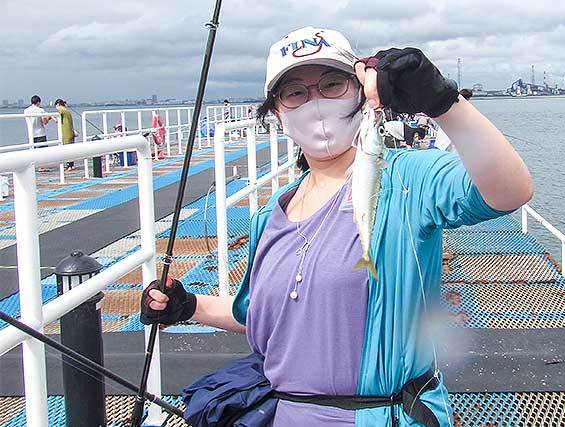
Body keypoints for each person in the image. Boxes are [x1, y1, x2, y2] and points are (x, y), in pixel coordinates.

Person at [140, 26, 533, 426]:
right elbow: (269, 316)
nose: (315, 102)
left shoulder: (407, 177)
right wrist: (190, 306)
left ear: (361, 92)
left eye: (332, 84)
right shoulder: (268, 217)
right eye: (295, 93)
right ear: (276, 111)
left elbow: (509, 191)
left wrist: (444, 102)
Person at [24, 95, 53, 171]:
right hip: (40, 133)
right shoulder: (40, 110)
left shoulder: (26, 110)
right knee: (42, 151)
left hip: (31, 133)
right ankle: (42, 167)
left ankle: (32, 166)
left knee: (32, 151)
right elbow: (44, 122)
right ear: (38, 102)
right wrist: (49, 118)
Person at [54, 99, 77, 170]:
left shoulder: (62, 111)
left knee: (67, 149)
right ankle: (71, 165)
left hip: (66, 132)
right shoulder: (67, 111)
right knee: (71, 149)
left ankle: (69, 165)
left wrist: (51, 117)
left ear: (58, 105)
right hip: (70, 131)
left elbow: (57, 119)